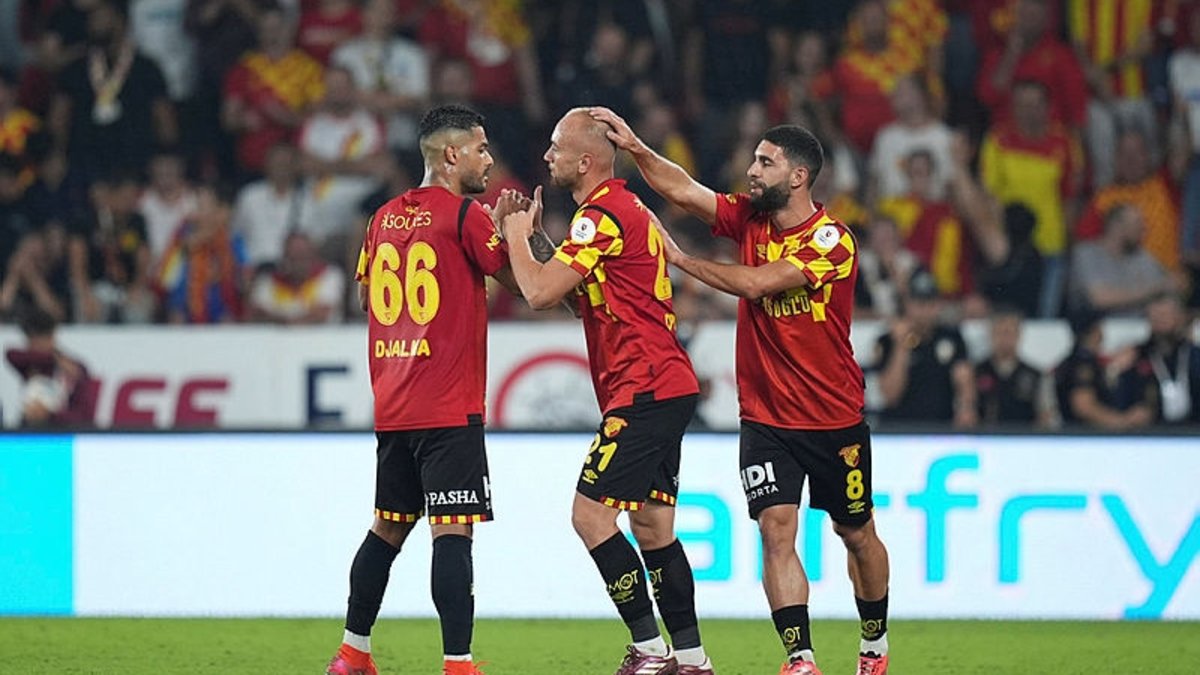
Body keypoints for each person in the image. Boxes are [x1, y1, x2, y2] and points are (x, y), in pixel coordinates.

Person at [591, 106, 892, 675]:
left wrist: (680, 259)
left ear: (798, 176)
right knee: (776, 531)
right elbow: (685, 190)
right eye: (754, 159)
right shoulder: (750, 217)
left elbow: (757, 284)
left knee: (856, 532)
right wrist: (634, 147)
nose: (752, 170)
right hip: (765, 417)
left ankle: (874, 643)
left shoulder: (832, 240)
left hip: (832, 416)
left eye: (765, 162)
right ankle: (800, 659)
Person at [497, 108, 713, 675]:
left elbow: (538, 295)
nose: (547, 156)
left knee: (590, 517)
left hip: (644, 387)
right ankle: (692, 661)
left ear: (585, 161)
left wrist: (514, 237)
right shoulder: (619, 211)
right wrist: (537, 240)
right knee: (653, 528)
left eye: (556, 147)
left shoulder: (600, 217)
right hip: (664, 384)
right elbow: (577, 301)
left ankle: (649, 651)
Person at [325, 104, 519, 675]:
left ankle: (352, 652)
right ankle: (458, 664)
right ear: (452, 155)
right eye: (481, 149)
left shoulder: (381, 218)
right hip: (449, 406)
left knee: (386, 527)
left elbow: (368, 298)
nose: (489, 160)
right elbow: (526, 285)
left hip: (394, 406)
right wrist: (515, 231)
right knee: (452, 532)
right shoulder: (465, 215)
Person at [874, 269, 978, 428]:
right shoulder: (887, 341)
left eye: (931, 304)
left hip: (941, 429)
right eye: (919, 304)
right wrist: (901, 346)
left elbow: (964, 379)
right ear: (907, 304)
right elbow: (890, 395)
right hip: (898, 430)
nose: (925, 311)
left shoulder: (951, 337)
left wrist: (966, 407)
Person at [4, 307, 95, 428]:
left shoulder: (73, 368)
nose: (32, 347)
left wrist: (49, 414)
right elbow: (11, 354)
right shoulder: (30, 362)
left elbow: (82, 414)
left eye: (38, 341)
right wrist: (54, 357)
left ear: (51, 337)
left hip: (61, 428)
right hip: (30, 424)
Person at [975, 306, 1051, 427]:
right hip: (986, 436)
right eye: (1000, 333)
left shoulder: (1035, 374)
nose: (1004, 339)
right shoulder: (977, 371)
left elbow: (1046, 414)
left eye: (1009, 333)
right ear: (991, 335)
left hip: (1023, 436)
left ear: (1019, 335)